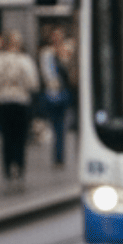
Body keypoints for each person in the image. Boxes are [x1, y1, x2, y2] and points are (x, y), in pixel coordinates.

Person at [0, 30, 40, 187]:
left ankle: (7, 169)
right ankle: (19, 167)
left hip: (4, 101)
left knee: (6, 137)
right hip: (21, 101)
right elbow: (33, 83)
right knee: (20, 138)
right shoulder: (25, 61)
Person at [38, 25, 73, 167]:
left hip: (65, 92)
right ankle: (57, 155)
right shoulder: (47, 53)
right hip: (52, 93)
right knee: (55, 125)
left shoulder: (66, 51)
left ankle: (60, 157)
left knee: (61, 127)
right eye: (55, 36)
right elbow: (47, 72)